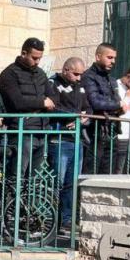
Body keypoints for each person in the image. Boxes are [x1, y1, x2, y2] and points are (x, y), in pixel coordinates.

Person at [0, 37, 58, 175]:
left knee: (35, 177)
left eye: (40, 58)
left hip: (42, 131)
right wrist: (42, 103)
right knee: (16, 175)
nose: (37, 62)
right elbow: (17, 102)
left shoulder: (40, 73)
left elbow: (53, 97)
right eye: (34, 58)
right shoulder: (9, 74)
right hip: (22, 131)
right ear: (24, 53)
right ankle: (11, 190)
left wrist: (44, 103)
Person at [47, 57, 88, 232]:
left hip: (76, 140)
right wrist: (74, 115)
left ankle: (66, 220)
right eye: (76, 74)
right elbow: (52, 107)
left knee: (72, 183)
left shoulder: (80, 86)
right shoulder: (53, 84)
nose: (79, 78)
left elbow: (88, 108)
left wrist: (84, 118)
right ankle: (51, 220)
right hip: (59, 140)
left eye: (81, 74)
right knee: (57, 182)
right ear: (65, 70)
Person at [82, 43, 120, 173]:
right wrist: (118, 105)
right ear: (98, 57)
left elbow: (116, 100)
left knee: (108, 174)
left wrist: (117, 105)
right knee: (91, 172)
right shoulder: (88, 76)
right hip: (94, 131)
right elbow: (96, 102)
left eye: (114, 58)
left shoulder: (111, 79)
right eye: (109, 57)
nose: (113, 61)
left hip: (111, 129)